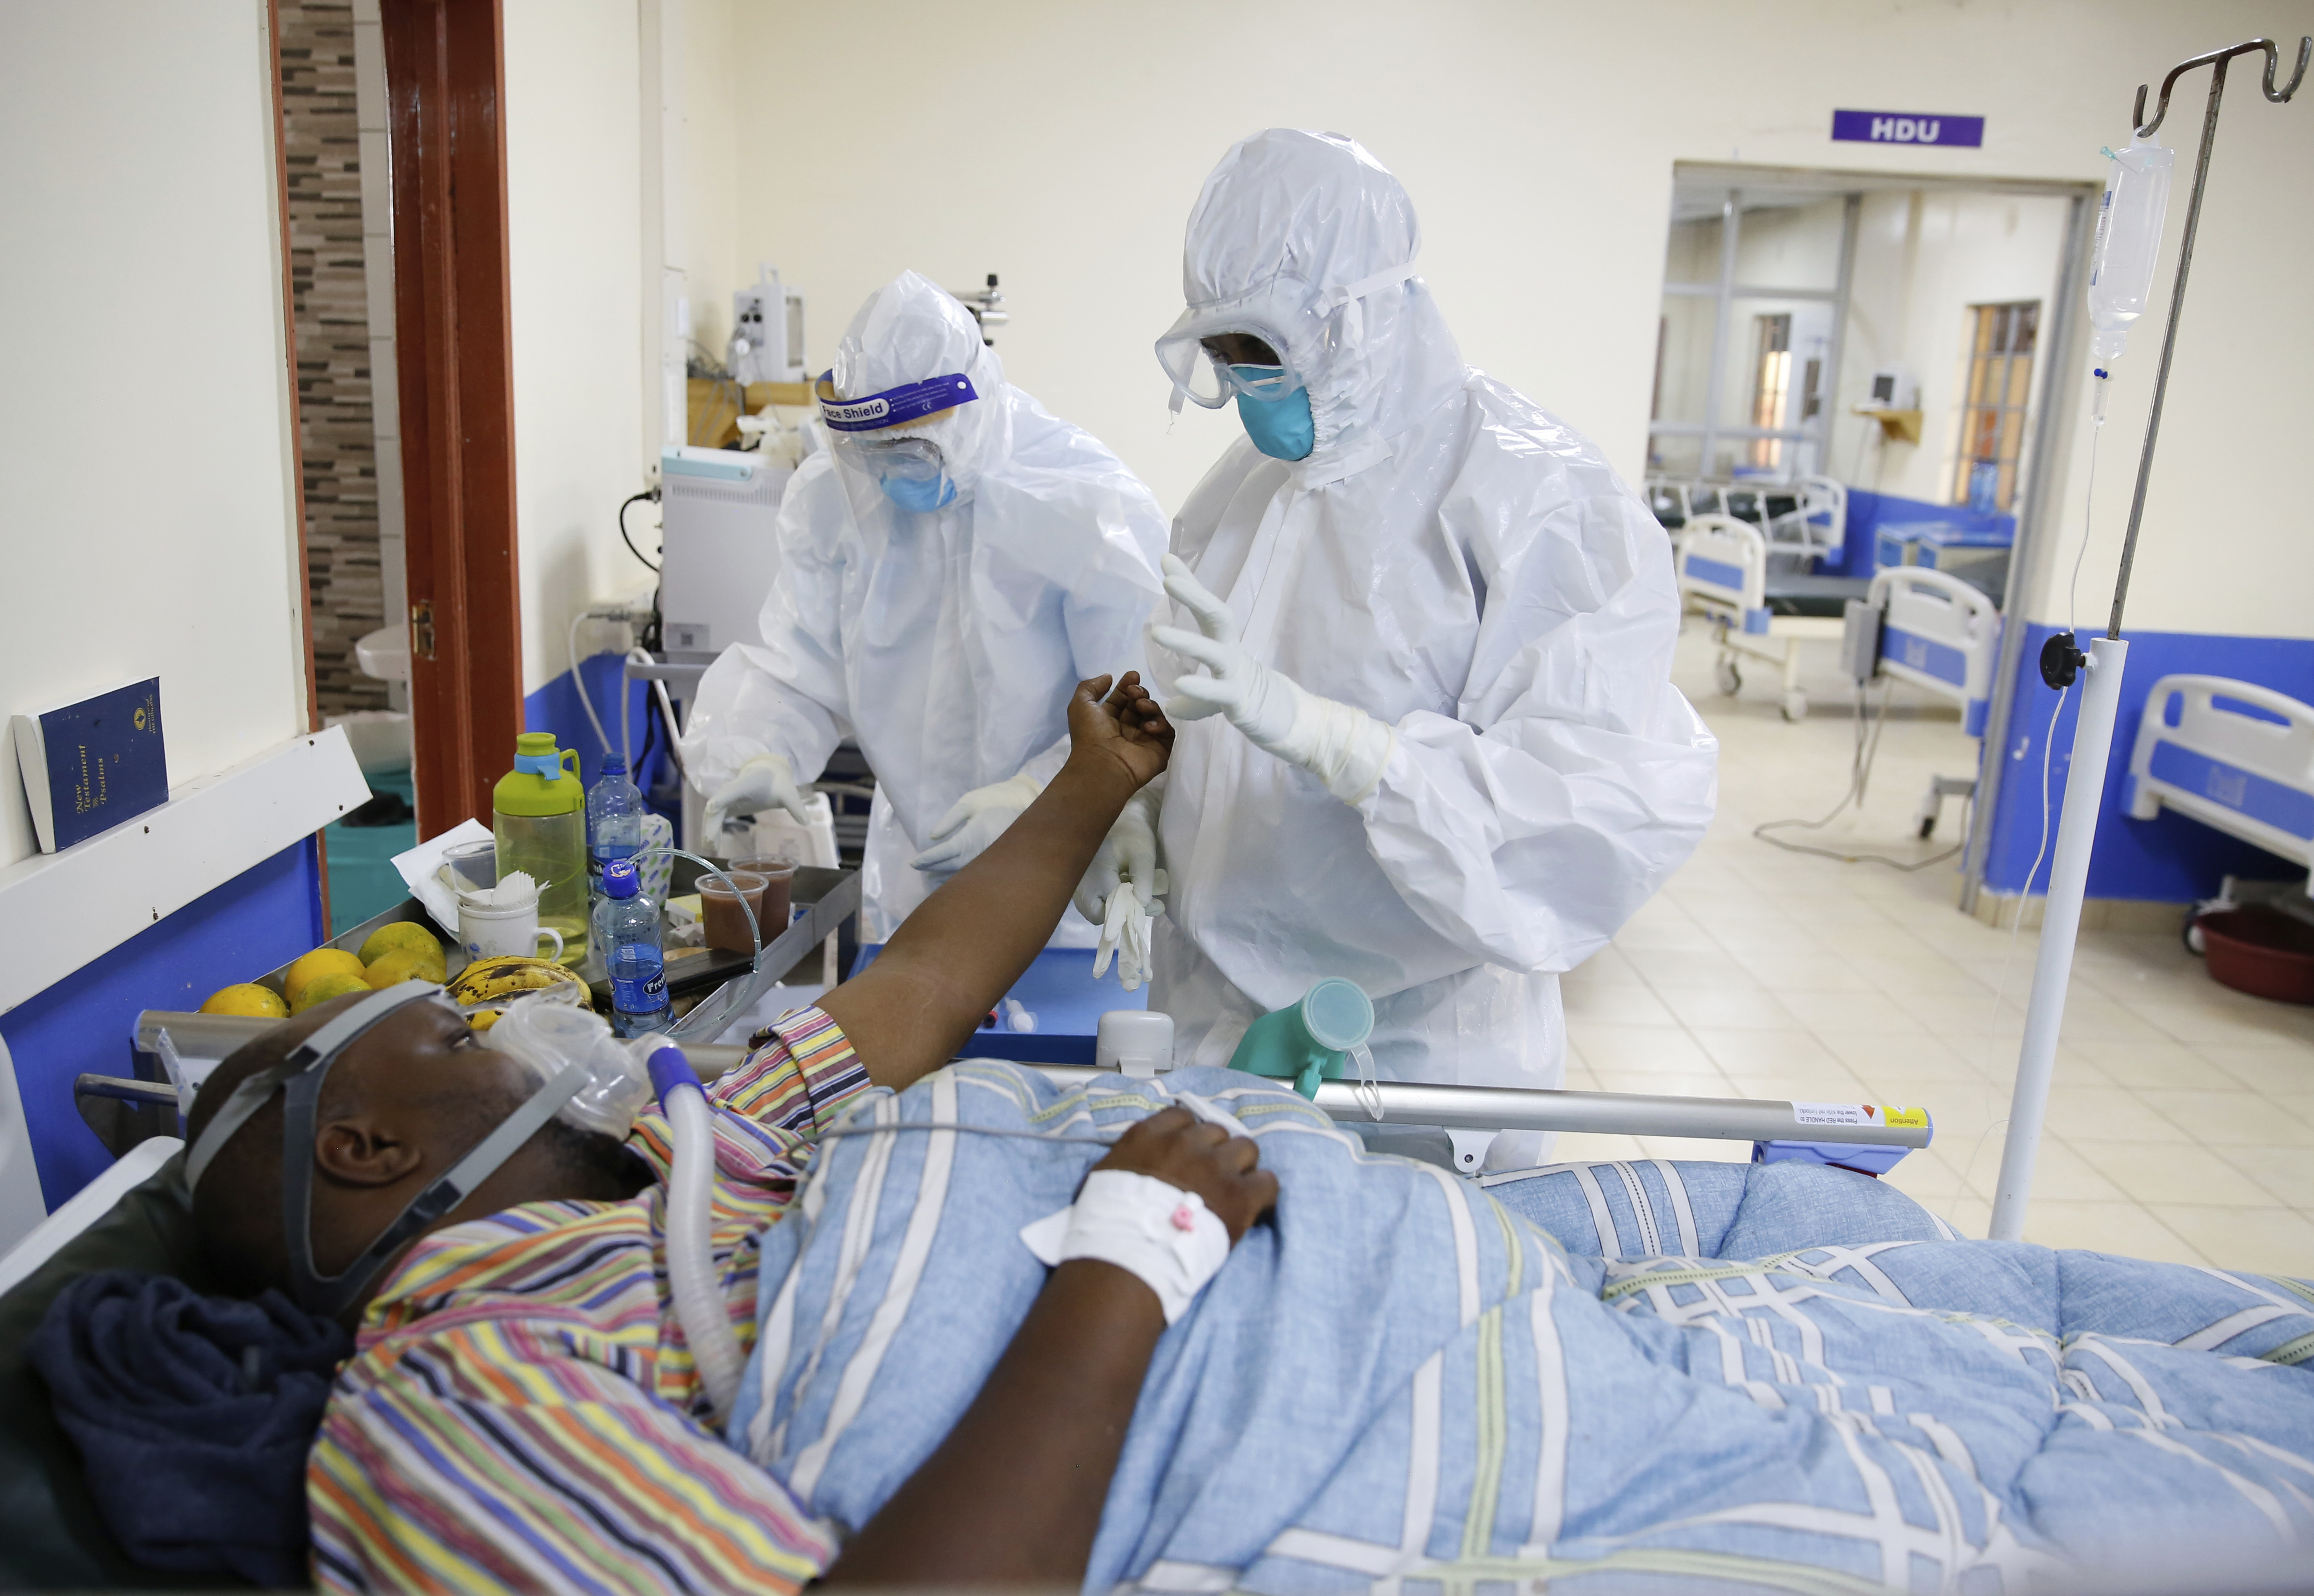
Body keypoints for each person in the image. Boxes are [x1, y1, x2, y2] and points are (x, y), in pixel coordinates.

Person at [182, 674, 1272, 1592]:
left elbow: (926, 982)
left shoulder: (677, 1154)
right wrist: (1138, 1244)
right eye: (464, 1046)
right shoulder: (449, 1397)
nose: (518, 1042)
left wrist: (1098, 777)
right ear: (366, 1149)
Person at [1077, 129, 1718, 1167]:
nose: (1242, 381)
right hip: (1217, 1020)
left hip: (1409, 1049)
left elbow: (1599, 808)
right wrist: (1148, 815)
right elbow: (1209, 713)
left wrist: (1352, 750)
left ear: (1359, 317)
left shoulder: (1533, 497)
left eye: (1261, 349)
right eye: (1223, 353)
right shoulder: (1241, 494)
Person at [679, 270, 1168, 948]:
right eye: (869, 450)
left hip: (1065, 875)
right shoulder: (840, 495)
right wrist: (762, 749)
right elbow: (800, 659)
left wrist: (1035, 797)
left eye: (909, 446)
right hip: (915, 863)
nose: (887, 472)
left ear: (968, 405)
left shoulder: (1083, 504)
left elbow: (1137, 711)